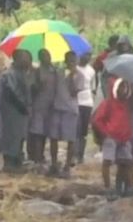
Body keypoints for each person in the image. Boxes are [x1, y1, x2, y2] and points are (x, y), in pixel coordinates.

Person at [92, 77, 133, 200]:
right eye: (121, 87)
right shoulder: (108, 103)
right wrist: (106, 132)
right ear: (115, 88)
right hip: (111, 137)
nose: (123, 89)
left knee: (125, 162)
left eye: (125, 87)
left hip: (123, 138)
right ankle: (108, 188)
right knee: (108, 161)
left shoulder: (125, 104)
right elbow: (97, 120)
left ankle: (120, 188)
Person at [48, 51, 80, 179]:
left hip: (70, 110)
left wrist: (71, 77)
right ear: (65, 61)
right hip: (57, 107)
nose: (71, 62)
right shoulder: (59, 72)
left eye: (73, 60)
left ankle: (67, 165)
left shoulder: (80, 75)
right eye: (69, 60)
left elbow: (74, 92)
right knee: (53, 137)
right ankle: (54, 164)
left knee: (70, 139)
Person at [1, 49, 31, 173]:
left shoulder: (24, 74)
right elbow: (11, 92)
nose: (27, 61)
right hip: (12, 109)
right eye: (24, 58)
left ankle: (18, 160)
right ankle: (9, 162)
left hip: (22, 110)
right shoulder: (9, 74)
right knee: (11, 135)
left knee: (20, 135)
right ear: (17, 58)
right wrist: (22, 106)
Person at [28, 49, 57, 165]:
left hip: (51, 106)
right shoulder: (36, 71)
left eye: (48, 55)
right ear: (40, 58)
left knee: (45, 132)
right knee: (37, 132)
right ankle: (37, 156)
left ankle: (41, 155)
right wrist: (38, 85)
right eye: (44, 56)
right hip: (38, 105)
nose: (47, 58)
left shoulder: (54, 71)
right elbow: (32, 89)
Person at [75, 52, 96, 164]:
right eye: (84, 55)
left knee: (83, 130)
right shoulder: (75, 69)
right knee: (76, 128)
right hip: (76, 101)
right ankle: (74, 152)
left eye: (88, 55)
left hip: (87, 102)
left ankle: (80, 154)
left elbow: (93, 88)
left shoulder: (92, 71)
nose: (86, 57)